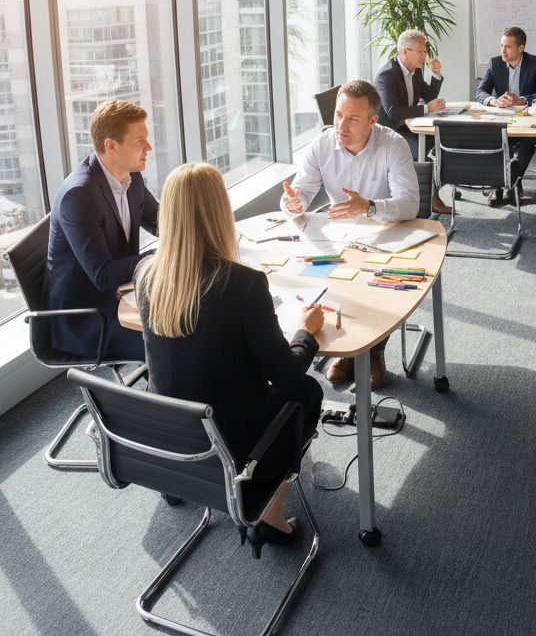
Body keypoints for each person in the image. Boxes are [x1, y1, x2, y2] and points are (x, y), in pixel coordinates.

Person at [137, 163, 324, 556]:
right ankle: (268, 514)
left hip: (167, 439)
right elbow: (287, 377)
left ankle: (190, 487)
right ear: (220, 211)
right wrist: (307, 333)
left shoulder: (147, 276)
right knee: (307, 390)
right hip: (233, 448)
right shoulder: (244, 284)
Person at [281, 79, 418, 388]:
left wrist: (368, 206)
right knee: (314, 277)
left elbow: (410, 204)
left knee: (375, 284)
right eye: (338, 115)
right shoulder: (322, 144)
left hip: (387, 233)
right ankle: (346, 346)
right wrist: (293, 203)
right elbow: (300, 193)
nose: (341, 125)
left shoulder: (393, 145)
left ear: (373, 120)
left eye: (352, 118)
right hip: (340, 235)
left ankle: (372, 352)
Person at [42, 100, 160, 360]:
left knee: (194, 316)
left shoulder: (131, 174)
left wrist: (195, 229)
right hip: (88, 317)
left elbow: (158, 219)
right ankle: (165, 399)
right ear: (111, 146)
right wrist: (161, 256)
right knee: (173, 340)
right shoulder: (79, 196)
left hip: (121, 295)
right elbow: (103, 275)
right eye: (139, 140)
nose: (148, 148)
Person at [374, 28, 451, 215]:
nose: (424, 56)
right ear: (404, 52)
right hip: (389, 131)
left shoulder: (414, 71)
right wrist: (427, 108)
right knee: (421, 151)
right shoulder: (387, 75)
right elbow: (393, 112)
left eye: (425, 51)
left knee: (442, 142)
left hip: (406, 126)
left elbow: (429, 95)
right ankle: (427, 199)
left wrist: (436, 75)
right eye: (421, 52)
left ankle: (433, 191)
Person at [475, 26, 536, 205]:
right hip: (502, 118)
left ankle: (512, 182)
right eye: (502, 45)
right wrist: (494, 101)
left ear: (521, 48)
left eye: (508, 47)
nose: (503, 51)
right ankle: (501, 185)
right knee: (498, 140)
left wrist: (522, 100)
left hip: (525, 118)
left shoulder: (535, 63)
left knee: (528, 141)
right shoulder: (495, 64)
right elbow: (480, 92)